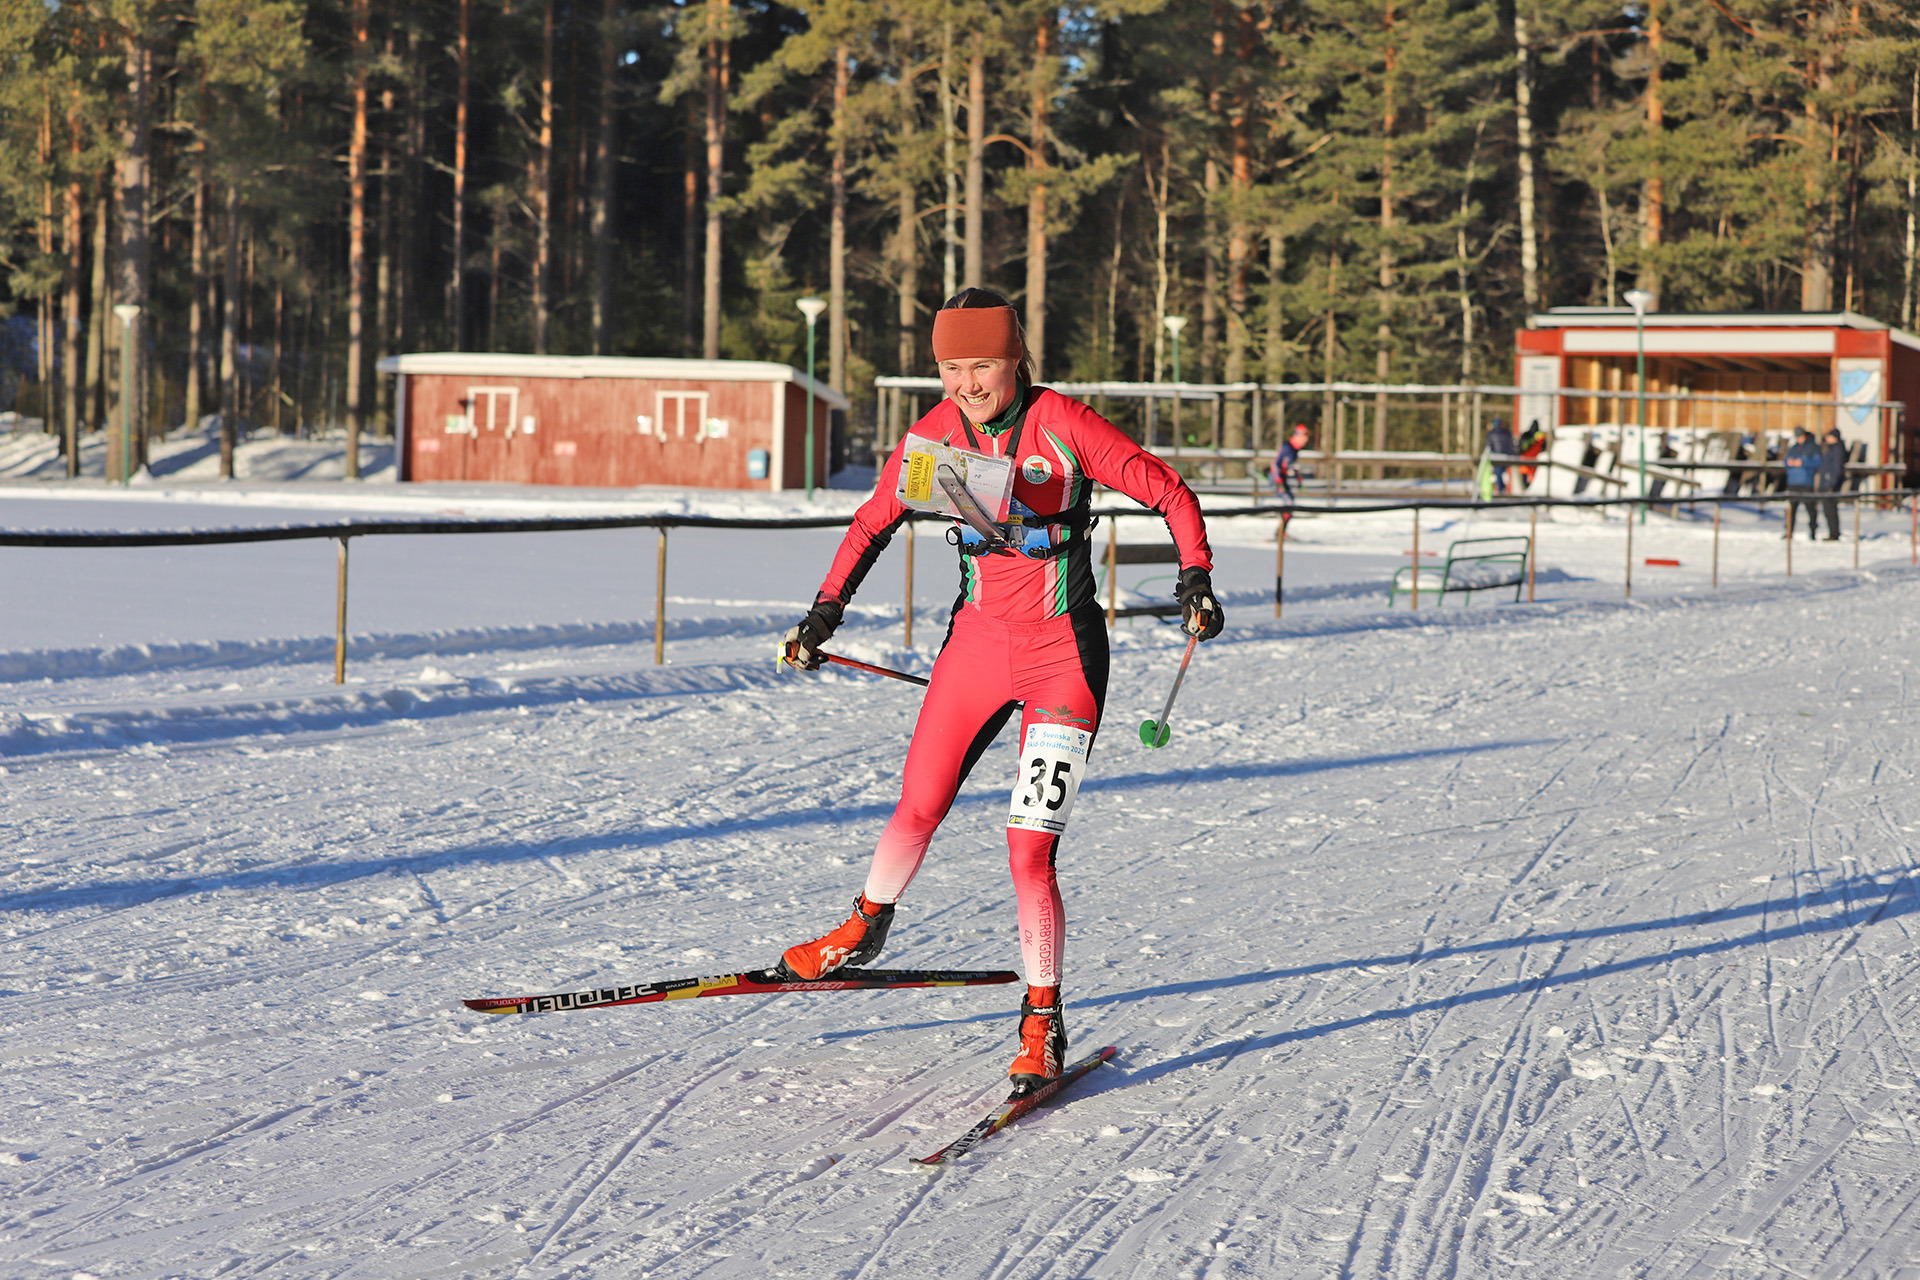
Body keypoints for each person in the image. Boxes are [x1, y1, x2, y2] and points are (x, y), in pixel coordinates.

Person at [775, 288, 1223, 1092]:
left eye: (983, 364)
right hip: (976, 649)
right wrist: (823, 613)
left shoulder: (1066, 424)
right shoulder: (935, 434)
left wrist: (1195, 578)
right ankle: (864, 927)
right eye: (952, 367)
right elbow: (873, 520)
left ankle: (1041, 1024)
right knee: (918, 803)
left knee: (1029, 855)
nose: (968, 383)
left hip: (1063, 661)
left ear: (1017, 359)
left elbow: (1171, 493)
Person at [1269, 422, 1310, 538]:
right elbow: (1275, 464)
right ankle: (1279, 533)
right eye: (1304, 437)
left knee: (1290, 503)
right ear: (1297, 436)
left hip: (1283, 479)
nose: (1306, 440)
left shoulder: (1295, 450)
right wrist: (1277, 480)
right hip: (1278, 480)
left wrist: (1299, 479)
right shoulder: (1287, 448)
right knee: (1289, 503)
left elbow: (1292, 466)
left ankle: (1282, 532)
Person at [1782, 426, 1822, 539]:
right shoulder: (1794, 447)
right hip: (1793, 482)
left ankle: (1813, 532)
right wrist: (1789, 462)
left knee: (1811, 509)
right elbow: (1786, 460)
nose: (1799, 439)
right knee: (1791, 510)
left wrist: (1803, 462)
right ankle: (1789, 531)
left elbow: (1818, 462)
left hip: (1806, 483)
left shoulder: (1813, 447)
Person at [1816, 426, 1848, 541]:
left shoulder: (1837, 449)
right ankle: (1832, 532)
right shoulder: (1829, 449)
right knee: (1827, 510)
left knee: (1831, 509)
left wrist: (1831, 483)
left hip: (1830, 484)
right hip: (1826, 482)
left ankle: (1834, 533)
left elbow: (1836, 468)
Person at [1484, 416, 1517, 496]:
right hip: (1507, 456)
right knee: (1502, 472)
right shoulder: (1507, 432)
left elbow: (1488, 446)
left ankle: (1500, 489)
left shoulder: (1491, 434)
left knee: (1498, 473)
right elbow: (1511, 445)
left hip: (1496, 457)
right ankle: (1502, 488)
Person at [1516, 419, 1547, 491]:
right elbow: (1544, 448)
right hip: (1535, 460)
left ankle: (1525, 490)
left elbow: (1520, 447)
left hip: (1525, 459)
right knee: (1532, 479)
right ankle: (1529, 491)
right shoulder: (1540, 436)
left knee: (1525, 478)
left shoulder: (1526, 435)